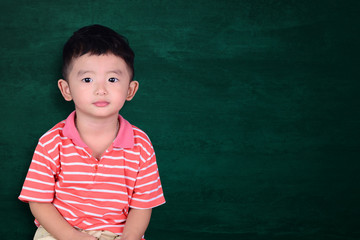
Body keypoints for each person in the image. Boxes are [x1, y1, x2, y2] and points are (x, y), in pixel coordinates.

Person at [19, 24, 165, 240]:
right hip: (61, 233)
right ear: (66, 89)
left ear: (130, 90)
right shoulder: (51, 142)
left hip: (120, 234)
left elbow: (142, 205)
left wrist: (129, 238)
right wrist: (73, 237)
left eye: (112, 79)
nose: (101, 89)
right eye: (87, 79)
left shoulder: (140, 144)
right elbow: (39, 201)